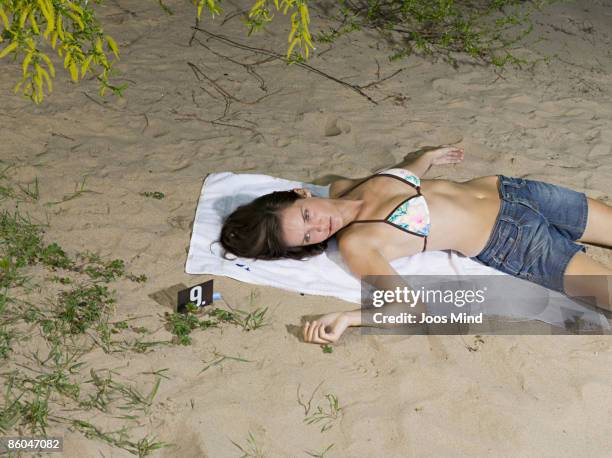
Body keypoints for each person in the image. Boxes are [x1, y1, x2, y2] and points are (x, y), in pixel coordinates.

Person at [220, 146, 612, 344]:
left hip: (515, 191)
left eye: (307, 217)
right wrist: (348, 318)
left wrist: (426, 157)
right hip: (516, 242)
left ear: (301, 194)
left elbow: (403, 176)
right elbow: (408, 305)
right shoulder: (358, 244)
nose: (321, 226)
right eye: (308, 237)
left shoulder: (342, 184)